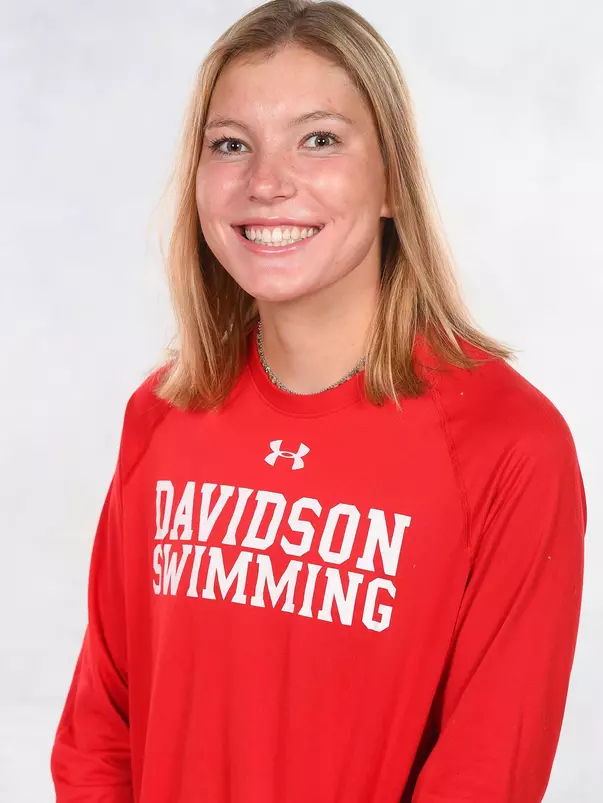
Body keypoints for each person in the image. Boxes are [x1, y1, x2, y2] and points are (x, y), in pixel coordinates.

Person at [50, 1, 587, 801]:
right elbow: (100, 735)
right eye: (231, 145)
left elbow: (486, 773)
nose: (266, 182)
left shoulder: (508, 444)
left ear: (392, 184)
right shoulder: (162, 415)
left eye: (319, 139)